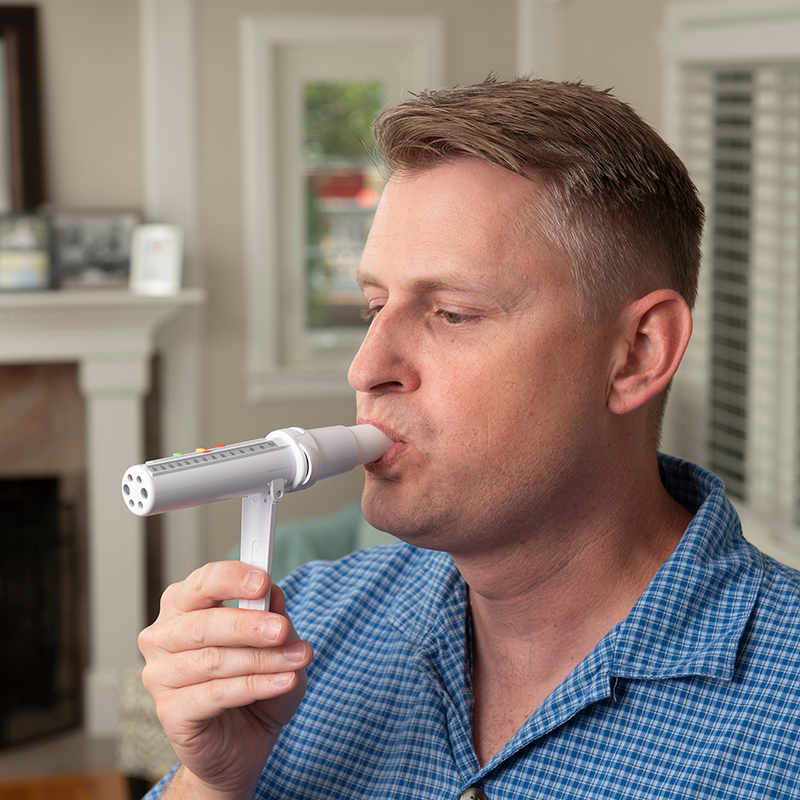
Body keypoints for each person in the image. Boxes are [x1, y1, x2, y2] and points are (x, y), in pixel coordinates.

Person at [138, 78, 800, 799]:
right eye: (374, 305)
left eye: (451, 313)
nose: (367, 369)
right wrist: (215, 783)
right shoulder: (299, 632)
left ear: (638, 352)